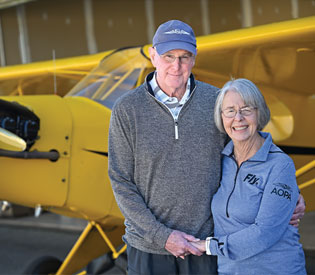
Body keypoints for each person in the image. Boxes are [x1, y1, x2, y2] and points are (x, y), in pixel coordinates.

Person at [108, 20, 305, 275]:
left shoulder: (218, 101)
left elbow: (249, 146)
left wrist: (287, 191)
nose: (176, 66)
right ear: (153, 55)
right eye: (168, 57)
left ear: (194, 58)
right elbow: (121, 181)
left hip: (207, 248)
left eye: (184, 57)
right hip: (148, 248)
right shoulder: (126, 109)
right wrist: (162, 236)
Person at [191, 78, 306, 274]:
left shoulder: (280, 165)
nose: (238, 118)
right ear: (221, 117)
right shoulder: (221, 161)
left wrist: (207, 246)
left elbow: (265, 232)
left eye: (246, 109)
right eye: (230, 111)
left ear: (259, 113)